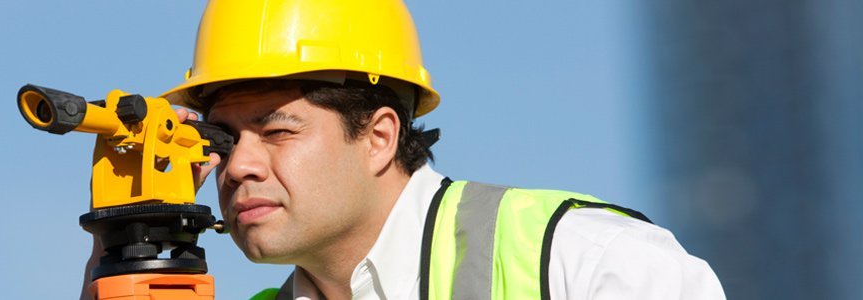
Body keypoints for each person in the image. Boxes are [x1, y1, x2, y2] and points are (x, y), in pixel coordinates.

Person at [87, 0, 726, 299]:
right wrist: (123, 246)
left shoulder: (580, 260)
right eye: (224, 138)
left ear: (380, 136)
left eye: (278, 130)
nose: (240, 165)